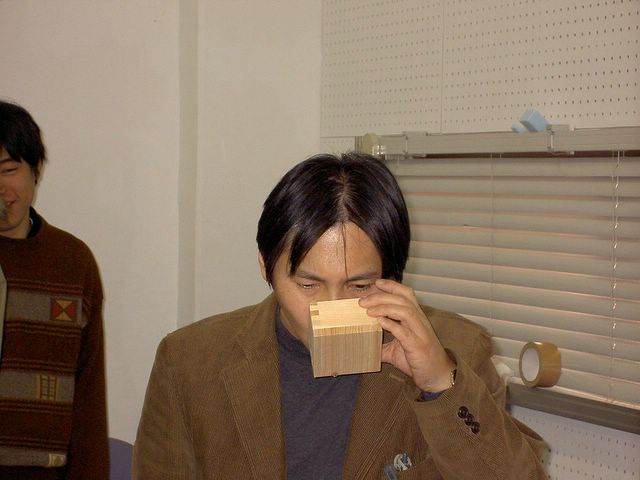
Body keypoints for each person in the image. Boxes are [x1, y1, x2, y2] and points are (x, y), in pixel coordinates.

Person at [134, 152, 547, 479]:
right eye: (307, 285)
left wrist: (440, 384)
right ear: (265, 267)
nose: (330, 308)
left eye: (360, 286)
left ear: (392, 275)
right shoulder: (189, 361)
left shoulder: (459, 349)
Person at [0, 100, 108, 479]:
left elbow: (89, 393)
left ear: (36, 170)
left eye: (9, 170)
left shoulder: (72, 263)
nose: (1, 189)